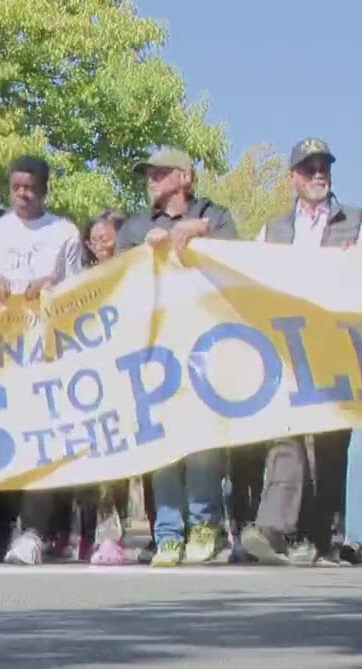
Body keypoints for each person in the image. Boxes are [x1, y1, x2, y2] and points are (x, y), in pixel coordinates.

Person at [241, 137, 362, 567]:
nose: (318, 174)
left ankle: (321, 537)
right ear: (293, 177)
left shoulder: (360, 222)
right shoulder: (272, 231)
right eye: (308, 167)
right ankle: (275, 531)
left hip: (338, 346)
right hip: (287, 349)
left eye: (323, 167)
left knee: (332, 444)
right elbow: (251, 282)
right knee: (284, 435)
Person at [116, 146, 239, 567]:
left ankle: (204, 525)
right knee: (163, 438)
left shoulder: (216, 216)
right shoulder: (135, 227)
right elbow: (117, 278)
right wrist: (142, 251)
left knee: (202, 437)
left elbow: (240, 259)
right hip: (155, 347)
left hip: (205, 342)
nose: (150, 179)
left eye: (159, 173)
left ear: (184, 177)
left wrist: (201, 230)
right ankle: (168, 532)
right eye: (148, 174)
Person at [0, 155, 84, 566]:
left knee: (43, 440)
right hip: (1, 354)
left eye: (31, 187)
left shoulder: (64, 233)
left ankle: (36, 531)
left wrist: (55, 286)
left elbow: (81, 292)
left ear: (44, 189)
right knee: (3, 440)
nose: (23, 194)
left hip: (47, 353)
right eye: (16, 186)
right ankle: (0, 528)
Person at [80, 210, 135, 567]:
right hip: (89, 381)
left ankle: (116, 535)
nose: (102, 245)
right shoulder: (79, 282)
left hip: (126, 376)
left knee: (123, 463)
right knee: (91, 464)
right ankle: (89, 536)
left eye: (108, 237)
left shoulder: (134, 274)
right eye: (96, 239)